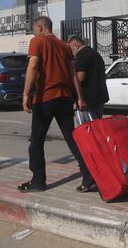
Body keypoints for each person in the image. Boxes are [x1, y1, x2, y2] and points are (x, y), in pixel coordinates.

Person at [19, 16, 96, 193]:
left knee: (36, 141)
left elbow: (32, 67)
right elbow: (73, 74)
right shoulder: (64, 46)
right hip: (65, 98)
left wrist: (25, 94)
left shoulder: (36, 42)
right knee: (72, 139)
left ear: (40, 27)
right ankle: (88, 177)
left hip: (45, 98)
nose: (33, 32)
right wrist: (79, 97)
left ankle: (38, 181)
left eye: (34, 29)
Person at [68, 35, 109, 119]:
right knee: (97, 125)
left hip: (88, 98)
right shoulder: (94, 53)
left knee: (87, 128)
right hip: (99, 96)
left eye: (70, 48)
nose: (70, 51)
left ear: (76, 45)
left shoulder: (81, 55)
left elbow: (80, 78)